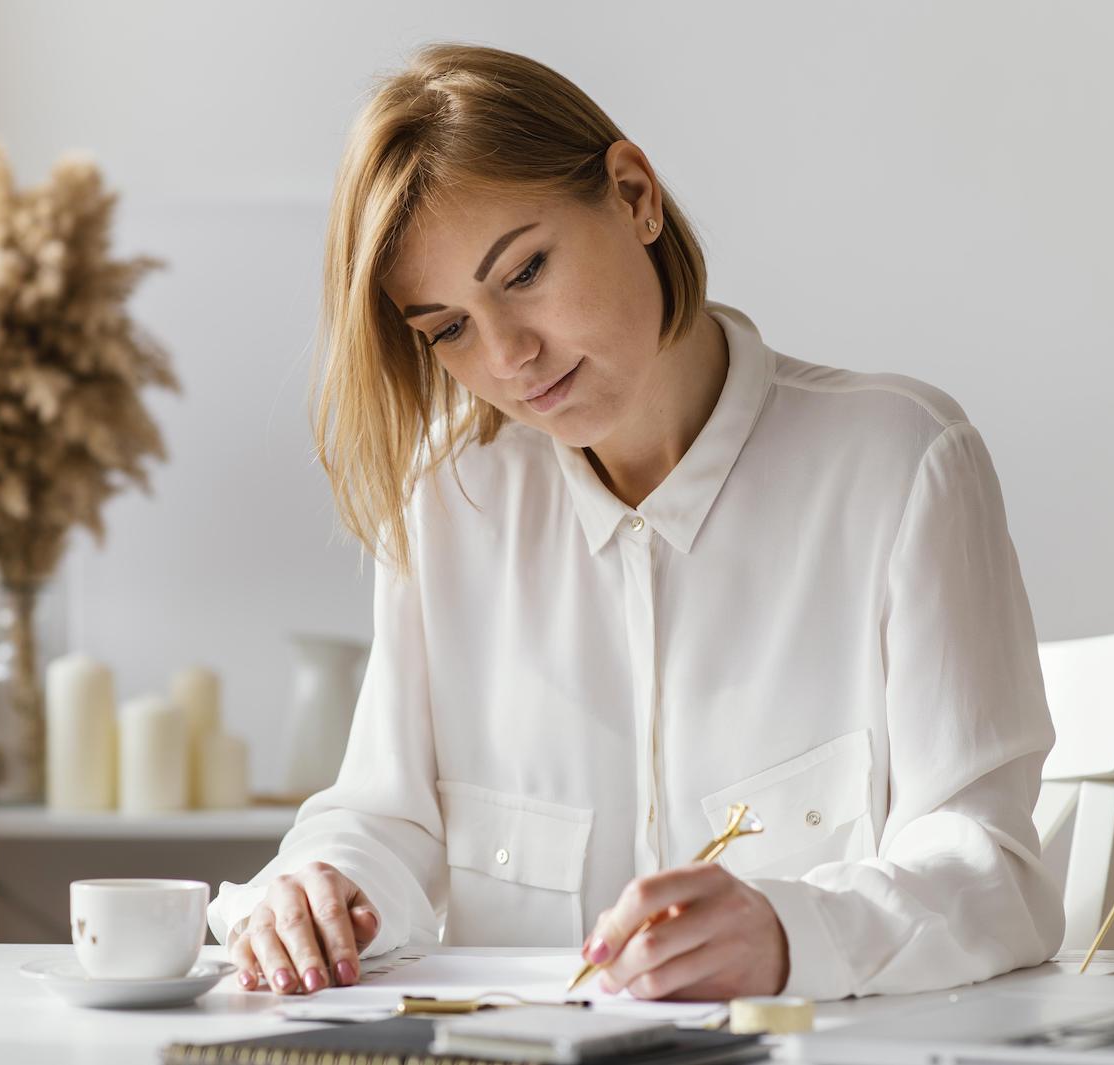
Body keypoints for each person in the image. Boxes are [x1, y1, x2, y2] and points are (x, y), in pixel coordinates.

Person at [208, 40, 1064, 1002]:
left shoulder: (901, 466)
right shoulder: (450, 496)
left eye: (524, 271)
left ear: (634, 195)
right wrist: (317, 887)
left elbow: (994, 871)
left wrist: (795, 935)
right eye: (448, 328)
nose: (509, 355)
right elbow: (384, 818)